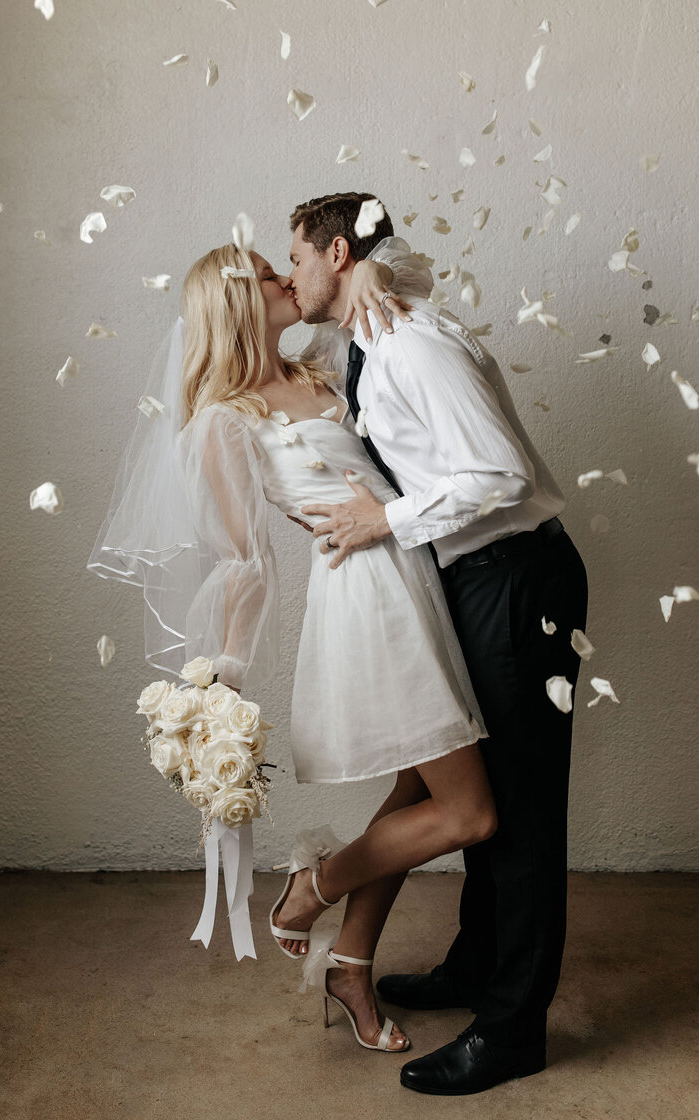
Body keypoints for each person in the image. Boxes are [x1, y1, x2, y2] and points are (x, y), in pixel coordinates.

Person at [87, 216, 499, 1055]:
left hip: (418, 575)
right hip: (369, 600)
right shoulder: (223, 422)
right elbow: (244, 563)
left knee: (419, 794)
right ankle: (311, 889)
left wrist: (380, 275)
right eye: (268, 273)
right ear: (236, 303)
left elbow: (401, 283)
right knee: (471, 814)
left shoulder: (321, 368)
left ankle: (350, 962)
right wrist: (222, 683)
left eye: (288, 264)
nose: (288, 277)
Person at [285, 192, 590, 1095]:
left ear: (336, 252)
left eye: (297, 257)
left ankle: (512, 1030)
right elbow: (327, 315)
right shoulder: (371, 327)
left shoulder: (410, 341)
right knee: (485, 789)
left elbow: (498, 471)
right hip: (471, 576)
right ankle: (473, 968)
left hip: (515, 574)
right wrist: (374, 271)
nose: (290, 273)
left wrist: (387, 518)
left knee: (523, 814)